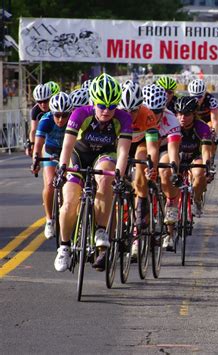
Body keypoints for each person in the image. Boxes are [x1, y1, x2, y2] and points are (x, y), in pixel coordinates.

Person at [54, 73, 132, 272]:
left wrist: (119, 177)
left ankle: (100, 230)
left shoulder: (123, 118)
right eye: (102, 105)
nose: (106, 111)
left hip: (104, 156)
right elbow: (67, 145)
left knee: (107, 179)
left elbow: (123, 152)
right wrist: (62, 168)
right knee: (70, 202)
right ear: (93, 102)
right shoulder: (81, 114)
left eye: (112, 106)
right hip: (79, 156)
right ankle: (64, 247)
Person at [119, 80, 160, 259]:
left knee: (141, 165)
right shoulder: (116, 114)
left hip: (141, 144)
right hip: (121, 144)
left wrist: (152, 166)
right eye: (126, 110)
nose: (129, 114)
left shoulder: (147, 114)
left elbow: (152, 147)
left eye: (133, 110)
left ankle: (141, 207)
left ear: (140, 106)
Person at [142, 84, 181, 250]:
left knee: (166, 171)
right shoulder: (137, 115)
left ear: (163, 108)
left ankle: (171, 206)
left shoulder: (171, 119)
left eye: (157, 111)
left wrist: (174, 171)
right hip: (144, 146)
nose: (153, 115)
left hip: (164, 147)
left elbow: (173, 151)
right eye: (150, 110)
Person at [31, 92, 73, 239]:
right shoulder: (46, 119)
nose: (61, 119)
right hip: (51, 151)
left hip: (68, 152)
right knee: (49, 183)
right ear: (52, 113)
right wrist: (36, 159)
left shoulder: (74, 120)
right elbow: (38, 143)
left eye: (64, 115)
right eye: (57, 115)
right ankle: (49, 220)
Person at [175, 96, 213, 219]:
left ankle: (197, 199)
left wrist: (207, 166)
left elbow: (206, 150)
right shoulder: (173, 125)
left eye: (186, 114)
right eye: (179, 114)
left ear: (194, 114)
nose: (182, 118)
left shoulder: (201, 127)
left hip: (194, 157)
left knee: (200, 172)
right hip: (177, 157)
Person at [187, 79, 218, 165]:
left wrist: (215, 135)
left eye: (199, 97)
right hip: (194, 120)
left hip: (207, 121)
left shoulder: (211, 100)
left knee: (212, 133)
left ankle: (211, 158)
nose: (197, 100)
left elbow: (215, 120)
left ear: (205, 94)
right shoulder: (187, 101)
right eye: (194, 97)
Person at [26, 84, 53, 157]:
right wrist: (32, 144)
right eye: (40, 102)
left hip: (55, 132)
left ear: (50, 98)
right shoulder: (35, 110)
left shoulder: (54, 107)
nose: (43, 104)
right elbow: (33, 130)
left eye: (46, 101)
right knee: (35, 150)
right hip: (42, 133)